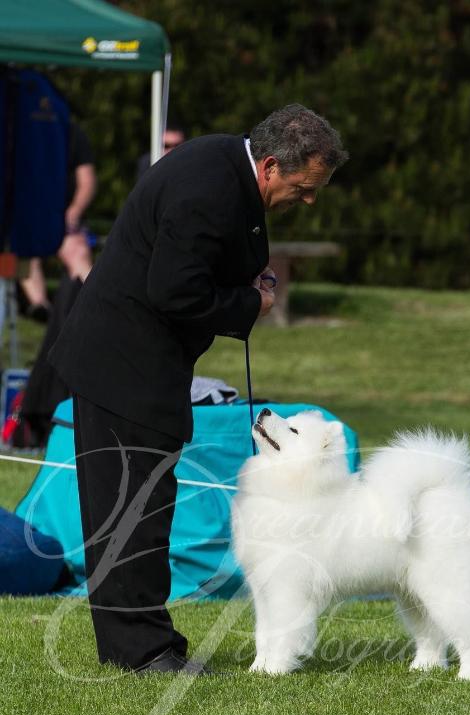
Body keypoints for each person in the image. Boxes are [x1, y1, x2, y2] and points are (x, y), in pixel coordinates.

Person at [47, 104, 348, 676]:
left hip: (136, 361)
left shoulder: (221, 167)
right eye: (304, 188)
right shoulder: (208, 190)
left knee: (140, 502)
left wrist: (243, 281)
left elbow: (197, 266)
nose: (308, 201)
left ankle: (132, 642)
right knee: (134, 507)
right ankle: (141, 651)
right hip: (124, 364)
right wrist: (249, 303)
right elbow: (174, 291)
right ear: (268, 166)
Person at [19, 120, 96, 317]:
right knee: (19, 256)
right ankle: (39, 306)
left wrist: (72, 214)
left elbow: (87, 181)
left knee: (77, 251)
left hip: (62, 222)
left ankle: (98, 307)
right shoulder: (14, 133)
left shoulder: (71, 133)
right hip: (24, 226)